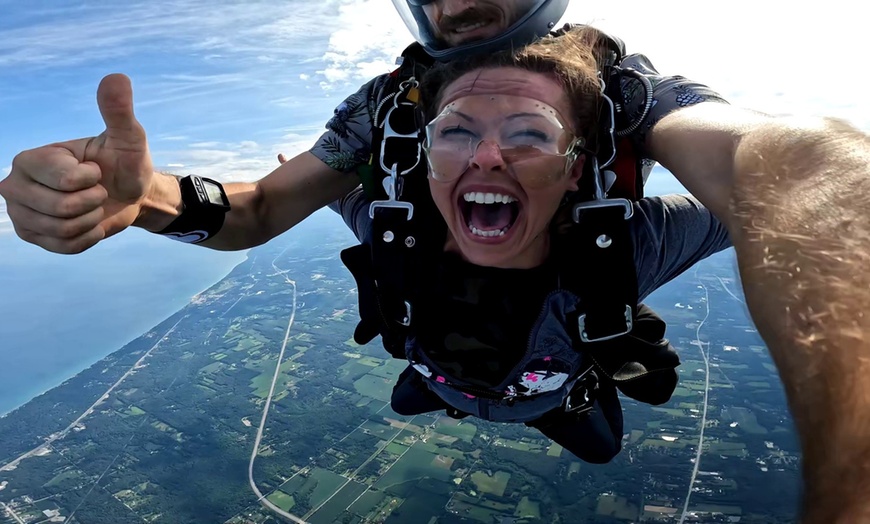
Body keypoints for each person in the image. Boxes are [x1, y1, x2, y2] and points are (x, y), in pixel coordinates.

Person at [331, 25, 730, 464]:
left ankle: (481, 394)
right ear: (429, 160)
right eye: (457, 132)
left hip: (547, 401)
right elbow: (340, 199)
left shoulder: (619, 250)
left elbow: (750, 206)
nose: (487, 156)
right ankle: (463, 392)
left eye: (529, 134)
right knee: (406, 402)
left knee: (603, 449)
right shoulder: (396, 240)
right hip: (479, 388)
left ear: (574, 169)